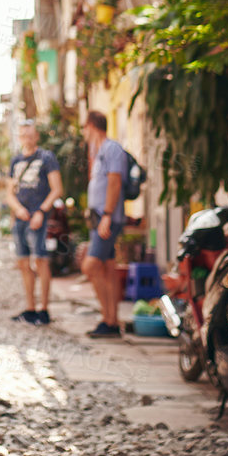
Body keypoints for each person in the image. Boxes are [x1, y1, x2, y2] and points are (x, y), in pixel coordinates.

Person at [6, 120, 62, 324]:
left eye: (29, 135)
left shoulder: (46, 158)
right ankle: (30, 308)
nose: (26, 139)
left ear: (36, 136)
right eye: (22, 135)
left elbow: (57, 189)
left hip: (39, 217)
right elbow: (9, 194)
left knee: (41, 260)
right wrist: (18, 209)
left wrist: (41, 211)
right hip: (20, 218)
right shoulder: (15, 161)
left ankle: (44, 309)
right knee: (23, 262)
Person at [83, 109, 129, 338]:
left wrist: (108, 215)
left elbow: (114, 182)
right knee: (107, 268)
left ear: (91, 125)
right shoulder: (97, 150)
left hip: (108, 219)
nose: (83, 131)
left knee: (89, 266)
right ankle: (111, 321)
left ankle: (107, 318)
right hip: (99, 218)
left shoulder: (112, 148)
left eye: (84, 127)